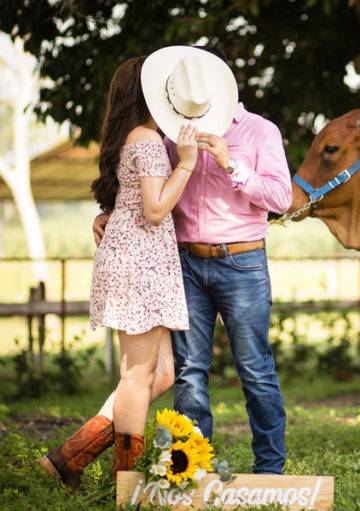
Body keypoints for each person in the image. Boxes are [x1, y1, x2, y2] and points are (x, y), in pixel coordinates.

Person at [94, 46, 292, 474]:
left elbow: (281, 198)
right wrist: (111, 215)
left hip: (242, 264)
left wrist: (228, 161)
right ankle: (190, 469)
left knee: (255, 369)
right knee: (188, 374)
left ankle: (270, 469)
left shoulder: (260, 131)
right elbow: (147, 192)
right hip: (185, 263)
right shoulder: (167, 133)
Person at [40, 53, 206, 488]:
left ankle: (67, 458)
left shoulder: (133, 136)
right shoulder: (148, 141)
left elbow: (132, 202)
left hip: (140, 259)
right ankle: (126, 483)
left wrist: (108, 215)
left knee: (162, 374)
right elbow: (154, 209)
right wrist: (186, 163)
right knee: (136, 376)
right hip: (141, 263)